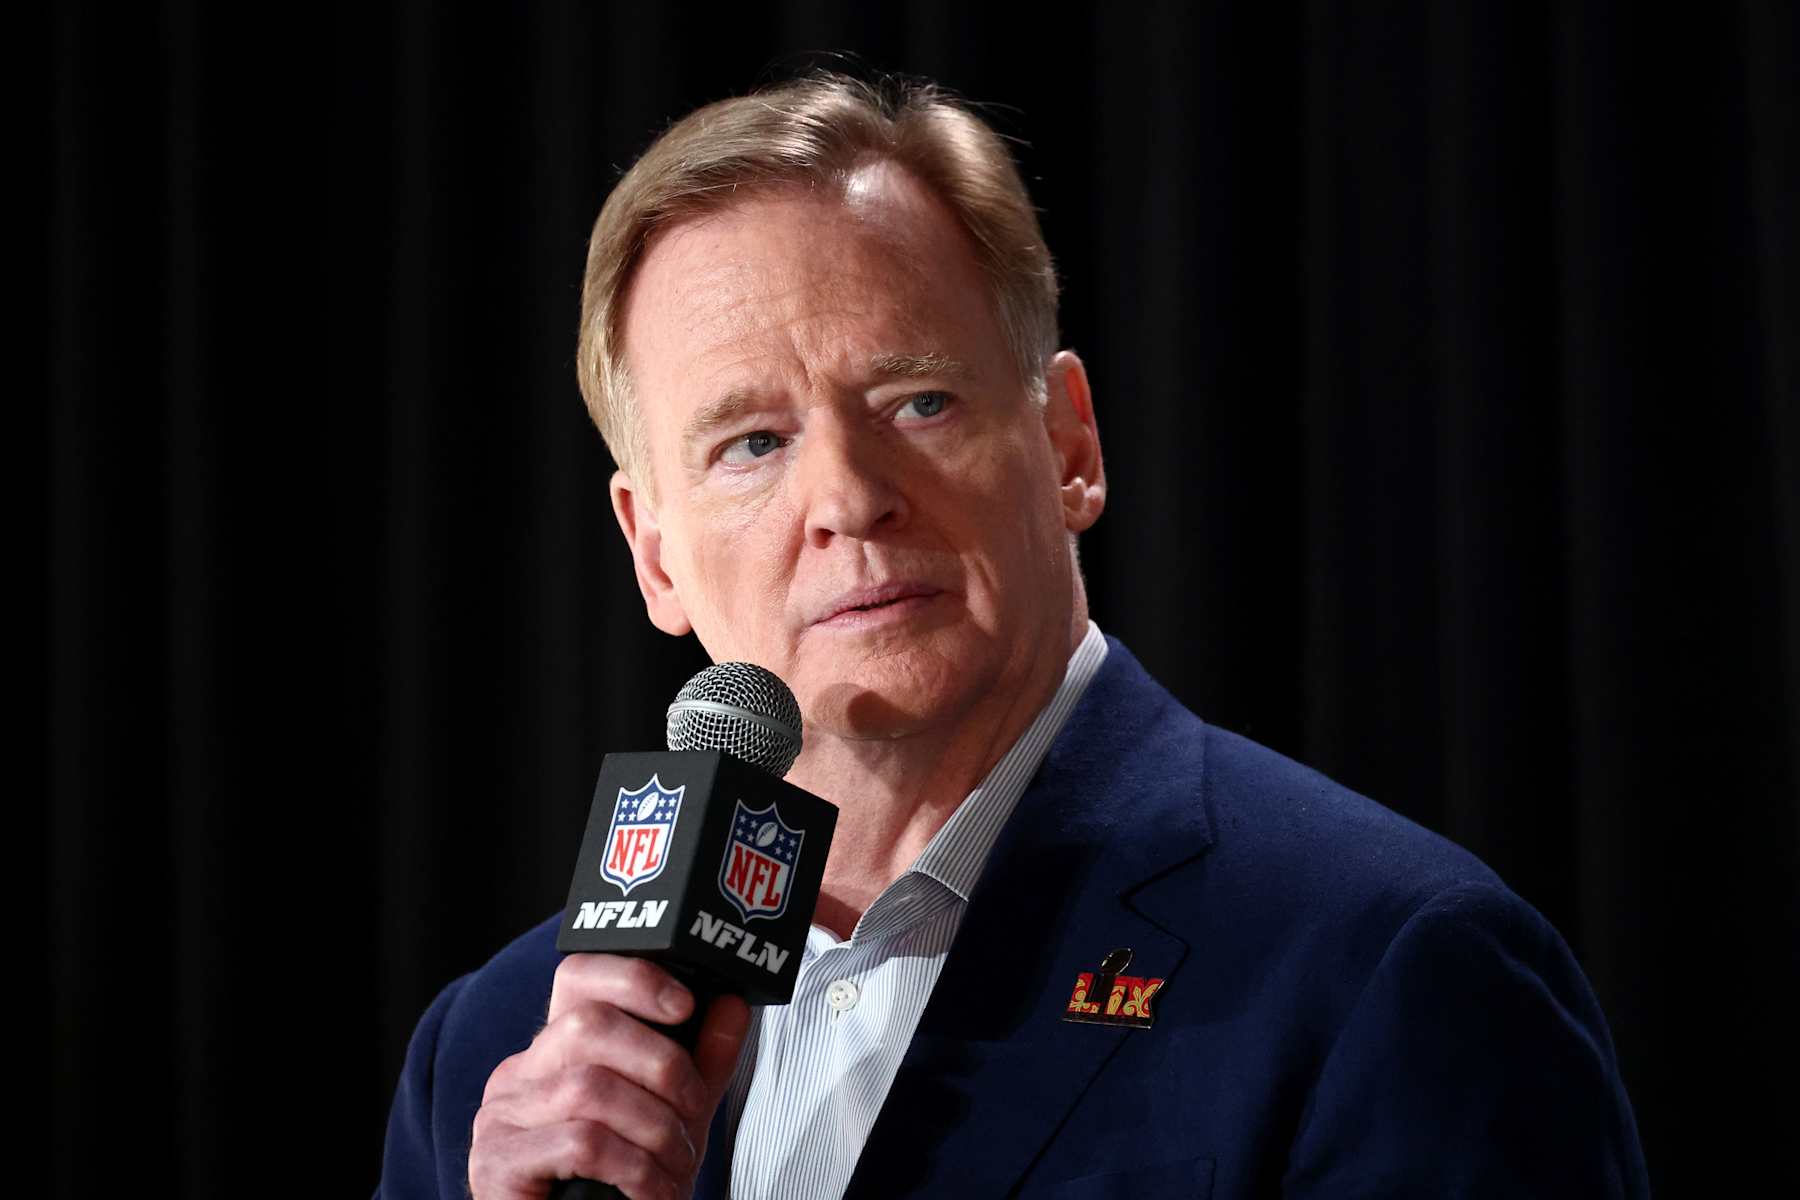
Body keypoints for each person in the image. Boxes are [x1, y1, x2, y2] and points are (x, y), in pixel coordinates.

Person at [378, 72, 1648, 1199]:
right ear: (653, 552)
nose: (847, 498)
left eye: (917, 400)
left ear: (1068, 445)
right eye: (751, 443)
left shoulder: (1390, 972)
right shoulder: (495, 1060)